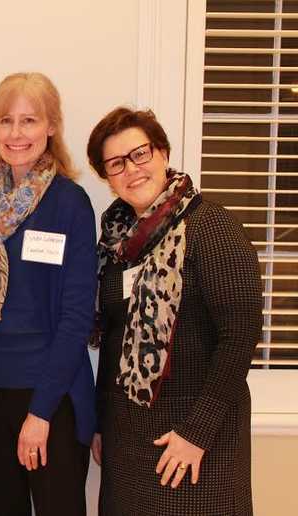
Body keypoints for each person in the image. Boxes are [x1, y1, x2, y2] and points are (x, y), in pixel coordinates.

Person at [86, 107, 262, 516]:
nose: (131, 169)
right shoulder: (114, 248)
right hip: (127, 441)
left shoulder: (210, 226)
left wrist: (196, 433)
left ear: (162, 152)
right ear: (107, 178)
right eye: (116, 164)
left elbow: (239, 338)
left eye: (140, 154)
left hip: (197, 442)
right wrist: (100, 422)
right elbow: (113, 341)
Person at [0, 72, 97, 516]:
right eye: (6, 121)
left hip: (52, 399)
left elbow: (77, 317)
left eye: (29, 121)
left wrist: (40, 413)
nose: (16, 134)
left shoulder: (70, 203)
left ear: (52, 127)